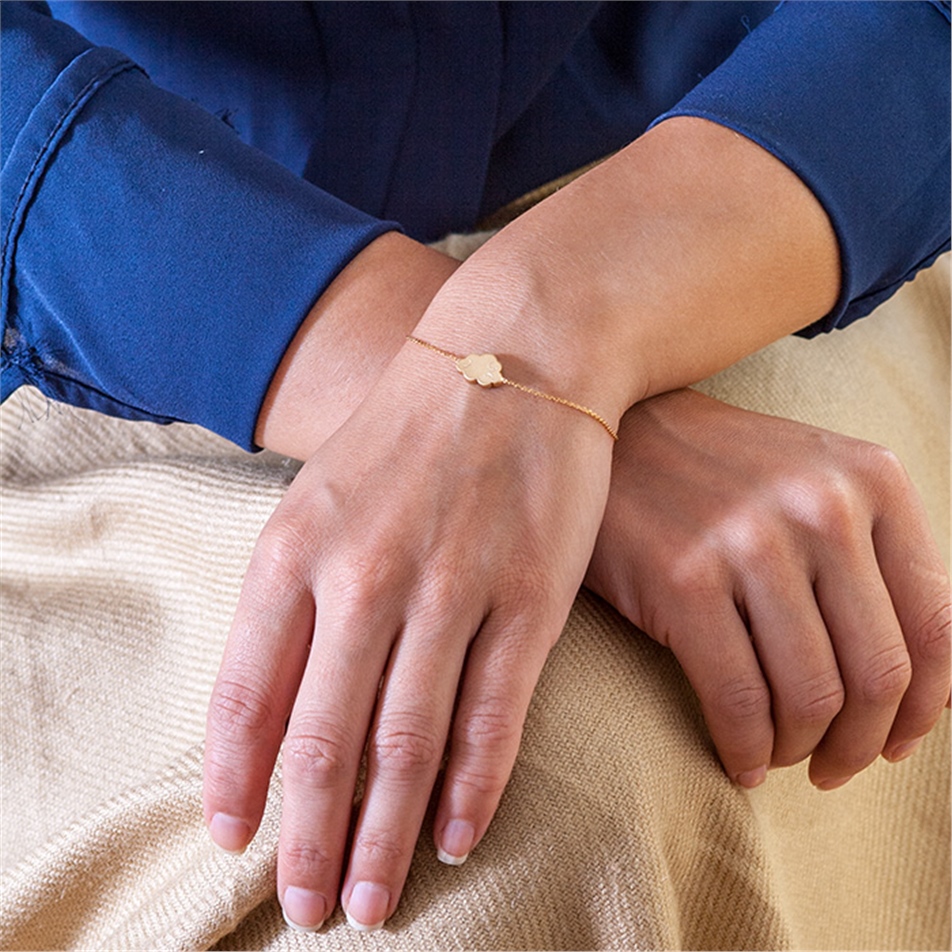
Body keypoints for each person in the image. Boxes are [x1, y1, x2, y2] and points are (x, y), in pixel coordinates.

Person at [2, 0, 949, 935]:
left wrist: (558, 316)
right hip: (111, 273)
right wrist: (487, 378)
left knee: (569, 798)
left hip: (741, 187)